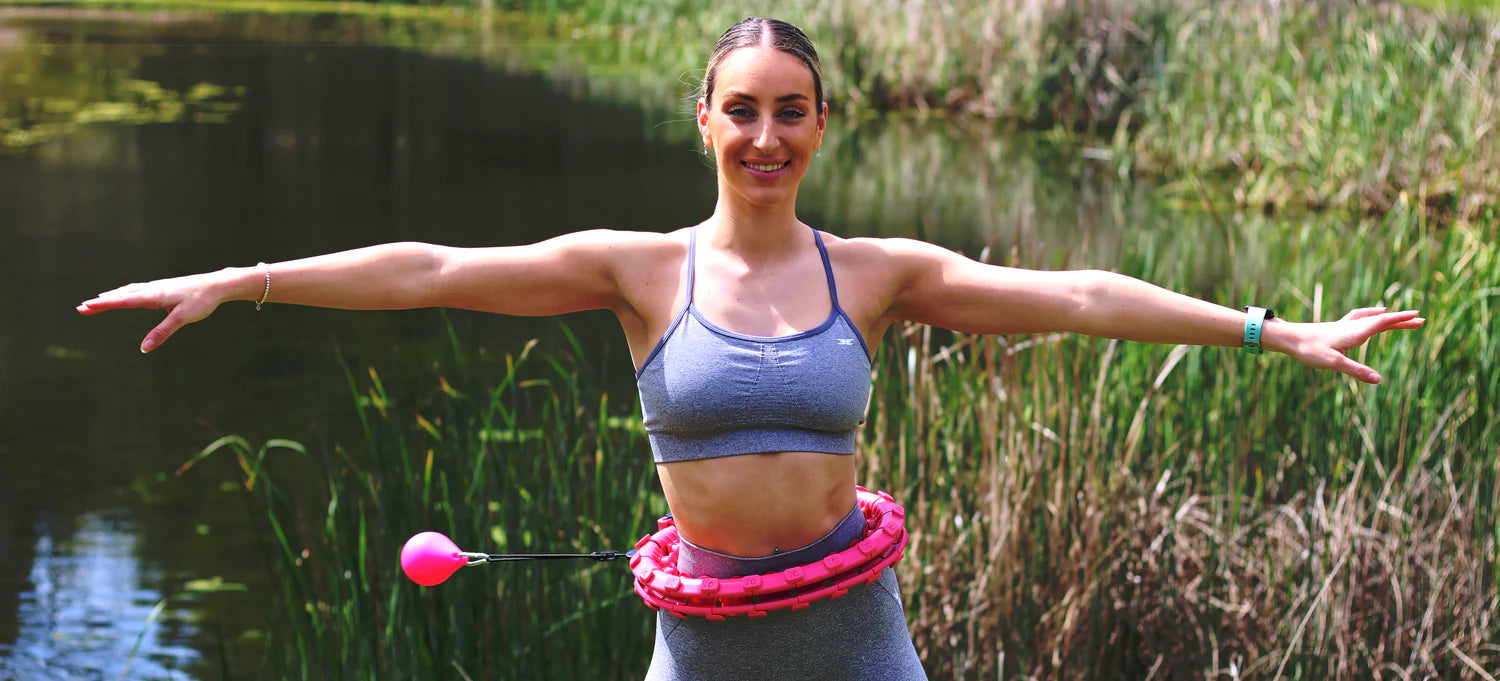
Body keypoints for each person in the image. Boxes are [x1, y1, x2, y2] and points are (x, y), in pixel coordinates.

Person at [78, 17, 1422, 681]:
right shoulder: (638, 268)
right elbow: (431, 269)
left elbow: (1074, 293)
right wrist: (238, 276)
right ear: (703, 120)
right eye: (743, 112)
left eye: (793, 112)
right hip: (704, 641)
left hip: (856, 633)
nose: (767, 136)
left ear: (823, 125)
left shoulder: (878, 273)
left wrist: (1274, 327)